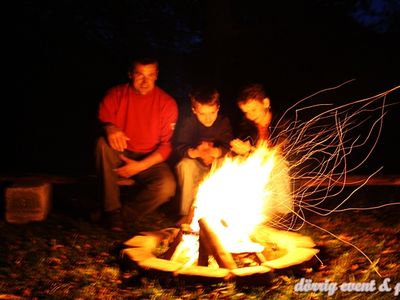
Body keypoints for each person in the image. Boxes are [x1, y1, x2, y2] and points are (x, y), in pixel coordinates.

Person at [95, 57, 178, 231]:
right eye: (140, 75)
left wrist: (139, 167)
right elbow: (103, 118)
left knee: (167, 186)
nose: (145, 81)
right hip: (120, 151)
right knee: (102, 144)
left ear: (156, 76)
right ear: (131, 74)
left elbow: (166, 146)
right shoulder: (116, 94)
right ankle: (111, 210)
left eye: (150, 75)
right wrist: (109, 127)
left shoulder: (167, 103)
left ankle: (121, 215)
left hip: (148, 157)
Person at [230, 83, 292, 217]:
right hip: (259, 165)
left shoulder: (282, 121)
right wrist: (240, 148)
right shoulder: (247, 125)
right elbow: (245, 144)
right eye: (246, 112)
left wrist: (251, 150)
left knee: (277, 163)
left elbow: (279, 151)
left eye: (253, 110)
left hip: (285, 167)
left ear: (265, 103)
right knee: (238, 163)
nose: (250, 116)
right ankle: (248, 213)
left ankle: (284, 214)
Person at [174, 86, 233, 219]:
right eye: (202, 114)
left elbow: (228, 145)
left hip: (215, 165)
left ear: (218, 108)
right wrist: (194, 153)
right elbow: (179, 147)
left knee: (226, 162)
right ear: (194, 110)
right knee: (184, 165)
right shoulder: (189, 123)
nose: (208, 118)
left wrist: (216, 152)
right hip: (197, 165)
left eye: (212, 113)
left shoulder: (223, 122)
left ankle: (221, 214)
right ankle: (186, 213)